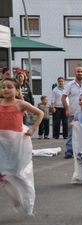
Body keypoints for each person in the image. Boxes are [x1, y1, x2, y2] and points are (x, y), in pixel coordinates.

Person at [0, 77, 44, 215]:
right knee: (4, 173)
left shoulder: (20, 104)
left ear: (17, 90)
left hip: (17, 143)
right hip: (2, 143)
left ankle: (26, 199)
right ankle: (15, 193)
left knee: (18, 173)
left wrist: (32, 129)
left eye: (9, 87)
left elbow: (40, 113)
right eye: (4, 86)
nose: (6, 89)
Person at [62, 67, 82, 159]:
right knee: (71, 133)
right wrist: (67, 109)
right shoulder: (70, 84)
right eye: (78, 72)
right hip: (73, 113)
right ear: (75, 73)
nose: (80, 73)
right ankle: (69, 151)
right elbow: (63, 97)